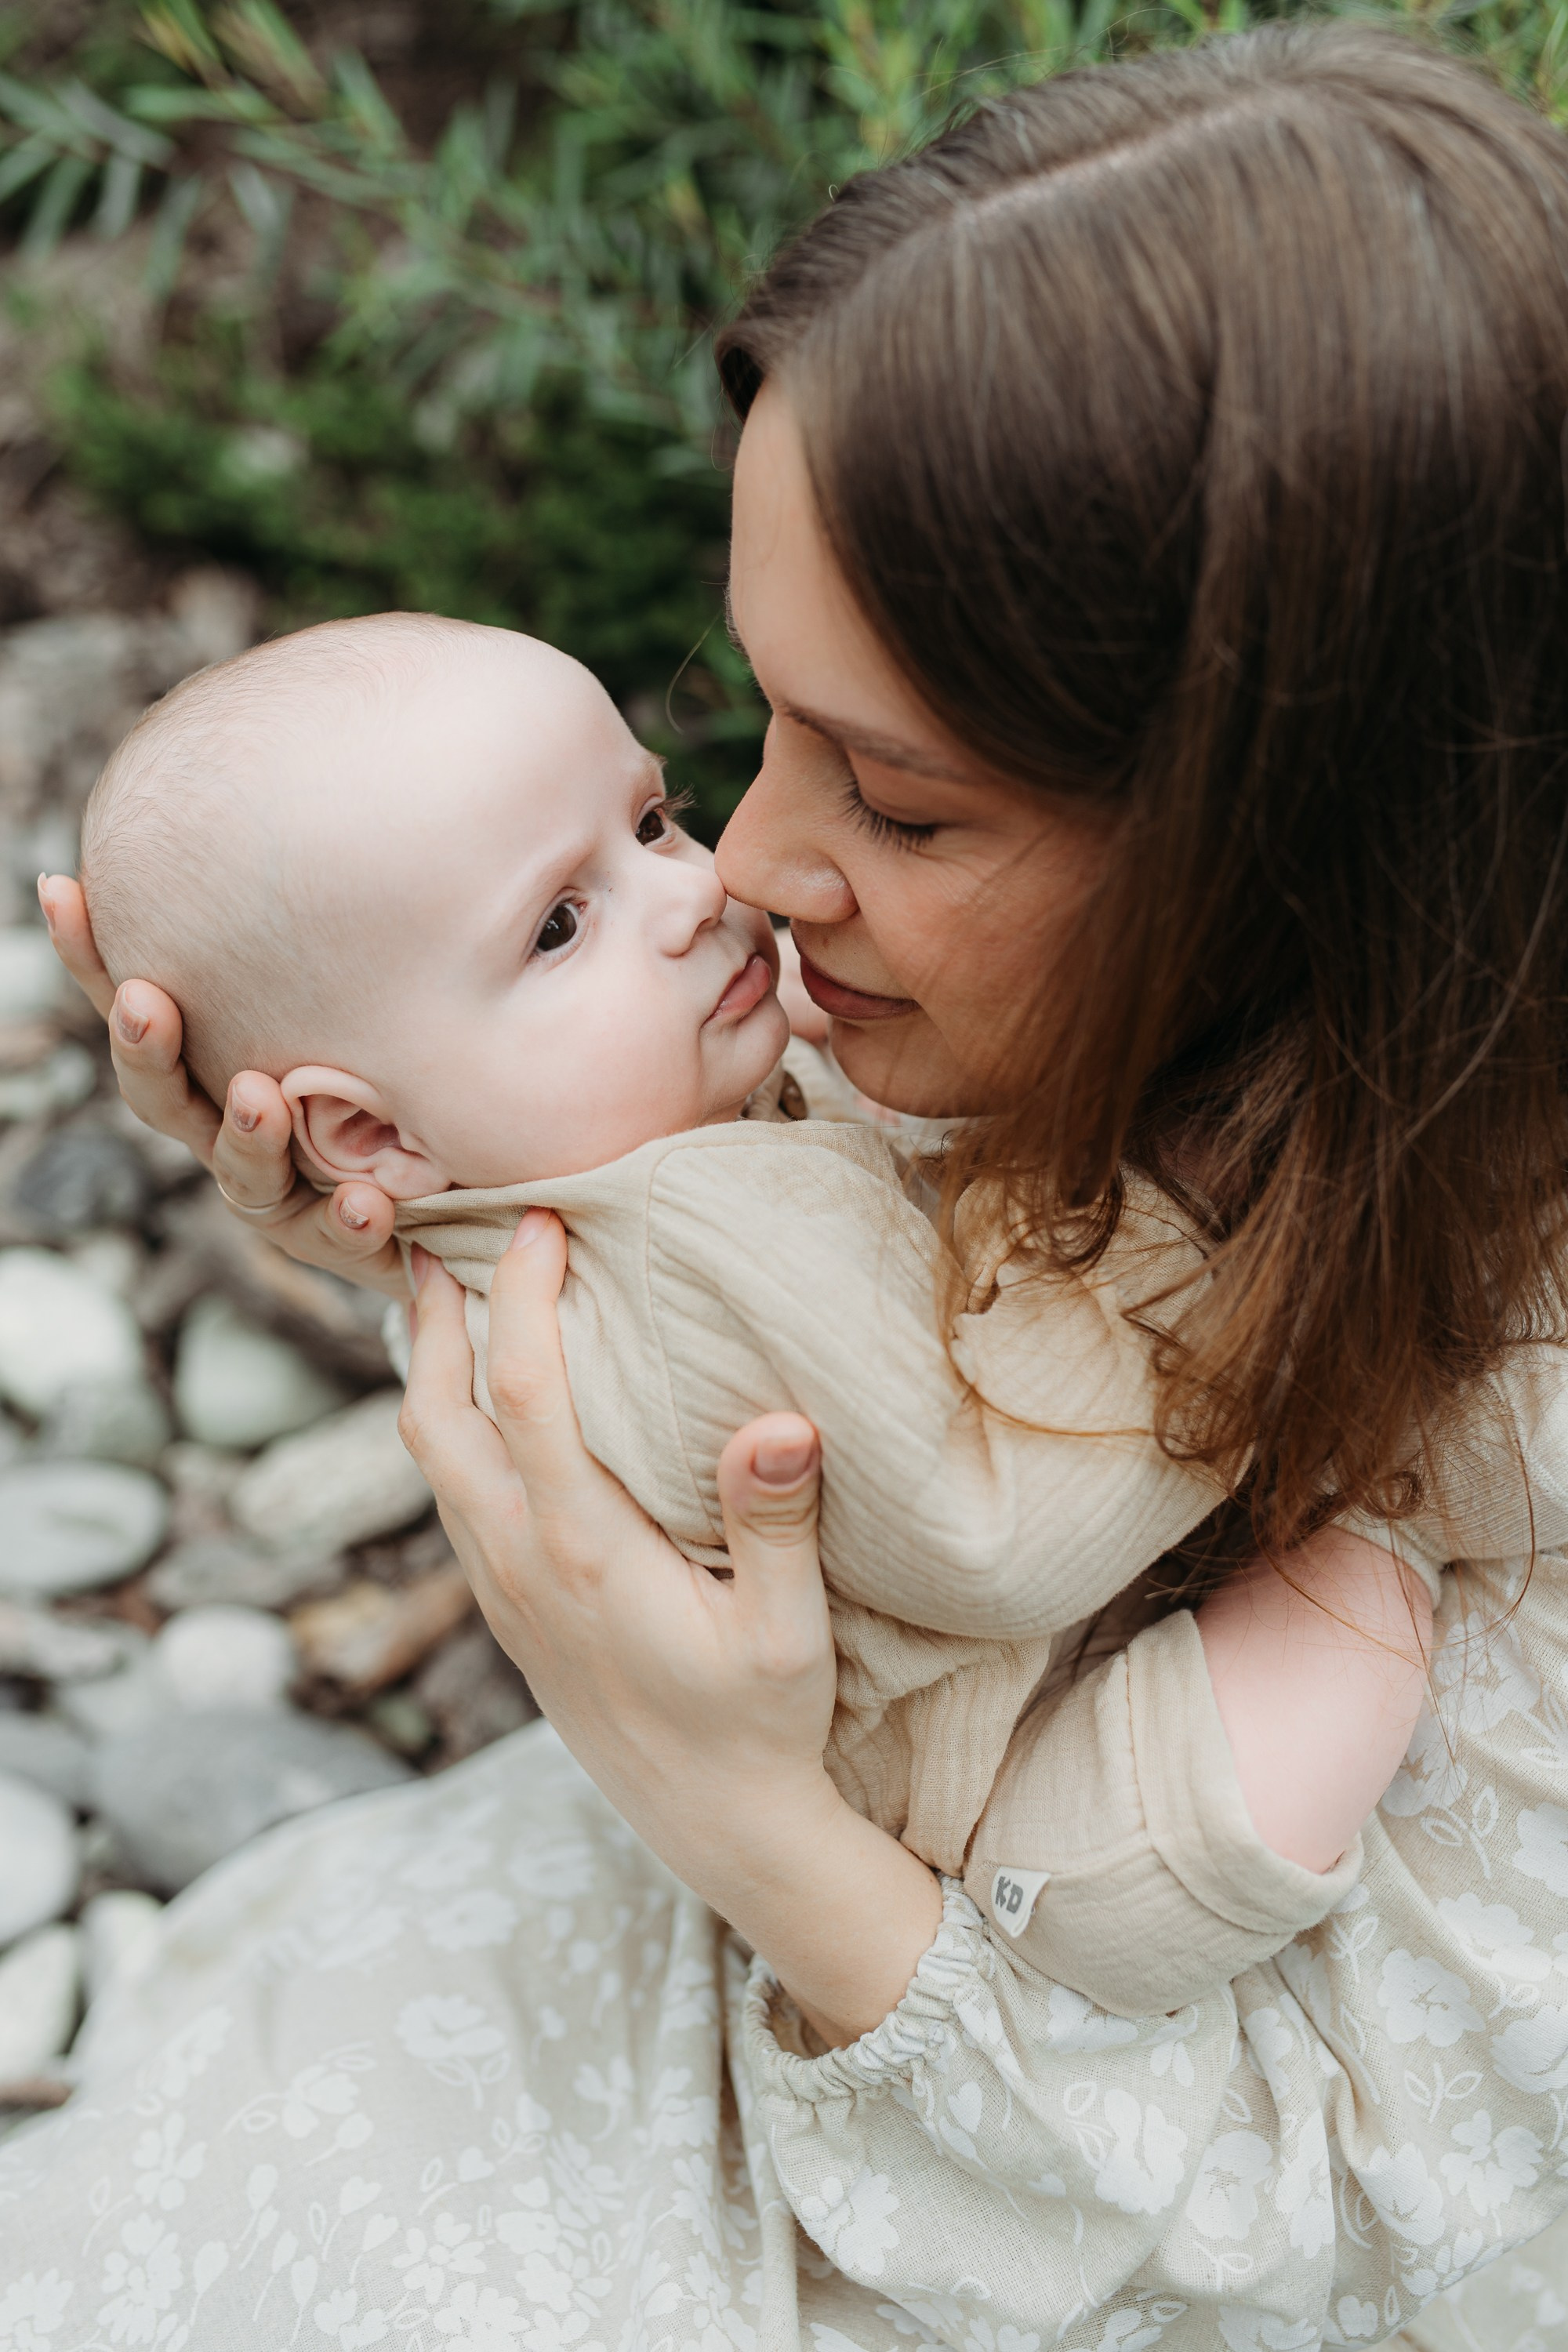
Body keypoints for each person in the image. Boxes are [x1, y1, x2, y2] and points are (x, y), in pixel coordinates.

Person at [8, 25, 1568, 2350]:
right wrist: (453, 1190)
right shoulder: (1070, 1014)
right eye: (747, 729)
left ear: (1317, 851)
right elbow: (752, 1323)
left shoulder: (1514, 1456)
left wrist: (730, 1800)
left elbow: (1352, 2251)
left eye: (899, 802)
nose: (744, 863)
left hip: (1025, 2157)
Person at [77, 608, 1461, 2019]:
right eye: (561, 925)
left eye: (652, 821)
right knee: (1387, 1554)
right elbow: (987, 1534)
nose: (698, 891)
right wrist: (1199, 1268)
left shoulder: (546, 1212)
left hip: (920, 1782)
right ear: (369, 1139)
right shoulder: (689, 1235)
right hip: (1077, 1826)